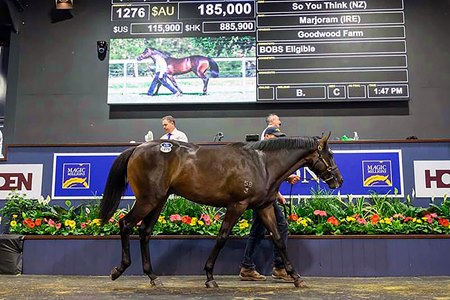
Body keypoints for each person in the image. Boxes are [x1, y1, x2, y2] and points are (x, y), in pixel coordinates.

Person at [239, 121, 300, 282]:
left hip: (264, 197)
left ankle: (248, 267)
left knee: (258, 232)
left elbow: (269, 179)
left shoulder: (266, 153)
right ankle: (278, 267)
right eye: (275, 137)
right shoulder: (259, 152)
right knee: (281, 227)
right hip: (261, 198)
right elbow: (263, 179)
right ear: (266, 136)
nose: (278, 140)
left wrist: (279, 190)